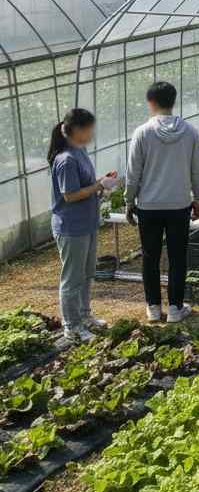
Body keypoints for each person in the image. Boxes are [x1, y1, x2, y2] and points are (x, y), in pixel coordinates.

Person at [125, 81, 199, 323]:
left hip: (149, 206)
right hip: (179, 205)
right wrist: (197, 198)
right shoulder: (189, 131)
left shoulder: (142, 133)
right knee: (178, 257)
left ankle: (153, 308)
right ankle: (176, 309)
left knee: (150, 257)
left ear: (151, 102)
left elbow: (133, 172)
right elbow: (196, 171)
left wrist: (129, 201)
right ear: (173, 101)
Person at [48, 109, 117, 342]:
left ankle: (85, 316)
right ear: (76, 130)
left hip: (87, 223)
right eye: (88, 129)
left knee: (87, 274)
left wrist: (102, 183)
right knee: (72, 278)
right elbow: (69, 195)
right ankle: (72, 326)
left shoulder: (80, 151)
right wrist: (98, 186)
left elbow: (84, 186)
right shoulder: (65, 159)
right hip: (71, 227)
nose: (91, 133)